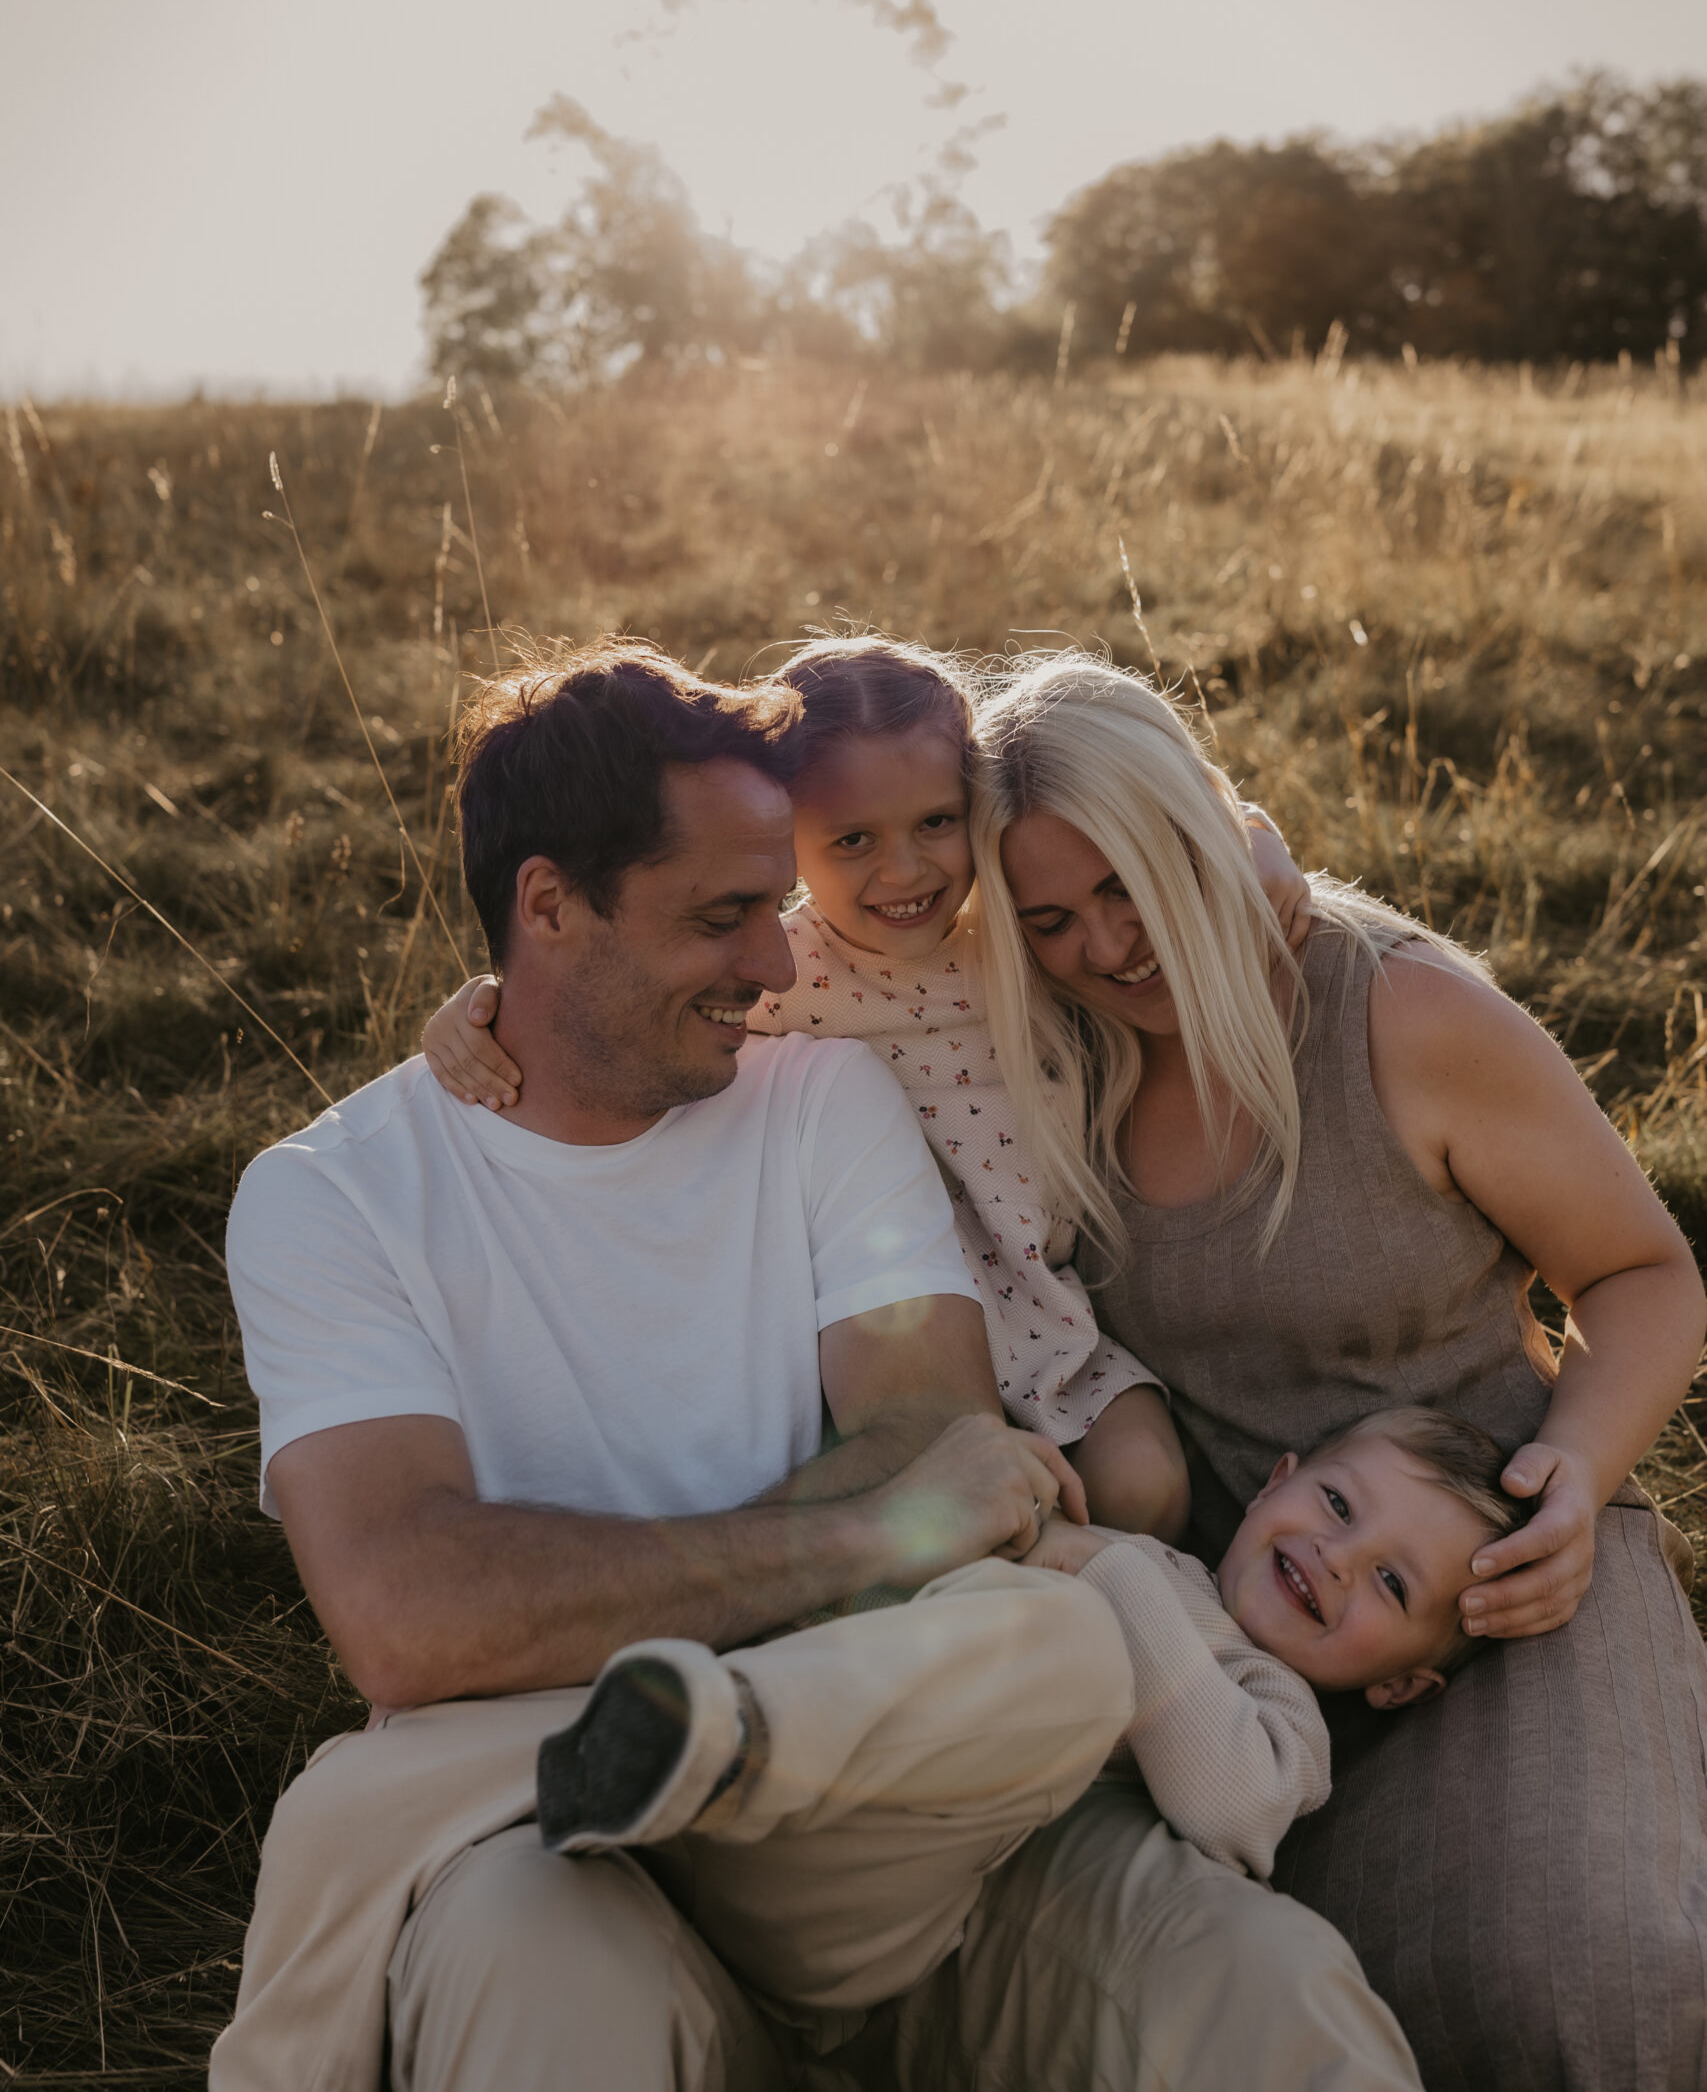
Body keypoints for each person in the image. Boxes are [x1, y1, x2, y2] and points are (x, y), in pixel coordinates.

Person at [212, 636, 1423, 2092]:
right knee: (537, 1999)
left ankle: (707, 1747)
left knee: (1265, 1991)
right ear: (549, 906)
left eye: (778, 907)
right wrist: (847, 1538)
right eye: (727, 916)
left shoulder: (822, 1097)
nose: (781, 963)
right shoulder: (332, 1197)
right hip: (546, 1838)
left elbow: (937, 1450)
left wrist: (570, 1600)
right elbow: (411, 1613)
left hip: (882, 1828)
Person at [969, 645, 1707, 2092]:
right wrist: (483, 1021)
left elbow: (1642, 1278)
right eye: (1048, 918)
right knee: (1254, 2011)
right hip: (1237, 1629)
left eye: (1131, 883)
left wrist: (1574, 1482)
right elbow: (802, 952)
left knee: (1585, 1977)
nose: (1105, 947)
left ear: (1198, 826)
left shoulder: (1396, 1017)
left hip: (1502, 1575)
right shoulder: (1040, 1063)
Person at [423, 632, 1309, 1536]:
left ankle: (1152, 1626)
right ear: (786, 839)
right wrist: (478, 1004)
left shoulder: (1012, 938)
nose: (905, 871)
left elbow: (1152, 851)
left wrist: (1256, 844)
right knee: (953, 1520)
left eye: (935, 822)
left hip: (1047, 1317)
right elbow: (614, 1000)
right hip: (864, 1338)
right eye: (851, 840)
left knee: (1144, 1487)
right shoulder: (777, 973)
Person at [1027, 1404, 1530, 1882]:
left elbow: (1232, 1811)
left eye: (1392, 1581)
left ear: (1402, 1685)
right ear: (1275, 1485)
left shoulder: (1282, 1713)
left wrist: (1107, 1569)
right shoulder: (1157, 1556)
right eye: (1338, 1504)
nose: (1336, 1557)